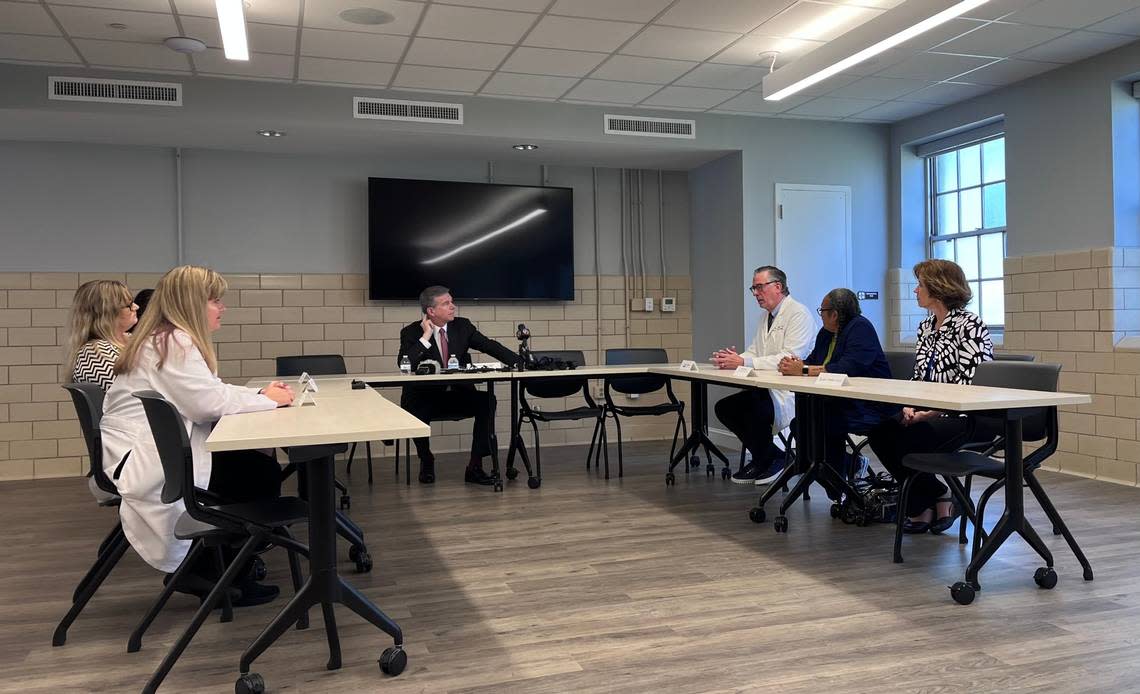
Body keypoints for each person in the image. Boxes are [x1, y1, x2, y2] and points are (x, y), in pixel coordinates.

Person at [100, 265, 295, 605]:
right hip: (152, 463)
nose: (223, 308)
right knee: (258, 473)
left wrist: (260, 396)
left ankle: (220, 564)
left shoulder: (163, 339)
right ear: (191, 304)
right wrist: (265, 399)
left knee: (253, 465)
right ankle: (213, 568)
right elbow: (206, 404)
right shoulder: (173, 342)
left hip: (148, 452)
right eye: (215, 300)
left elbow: (208, 392)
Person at [868, 259, 993, 534]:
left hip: (965, 416)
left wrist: (930, 412)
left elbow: (971, 385)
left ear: (938, 287)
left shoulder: (969, 325)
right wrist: (910, 406)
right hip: (932, 412)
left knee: (912, 438)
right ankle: (933, 495)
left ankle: (923, 504)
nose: (915, 290)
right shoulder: (926, 328)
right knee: (880, 432)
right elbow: (919, 378)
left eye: (920, 285)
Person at [777, 288, 898, 497]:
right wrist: (796, 364)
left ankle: (836, 482)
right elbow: (815, 360)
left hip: (868, 405)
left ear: (834, 314)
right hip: (837, 402)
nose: (820, 315)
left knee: (823, 423)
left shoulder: (860, 327)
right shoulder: (826, 334)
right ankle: (844, 470)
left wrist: (804, 370)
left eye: (822, 311)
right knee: (802, 424)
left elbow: (848, 367)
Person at [398, 285, 520, 486]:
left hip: (457, 394)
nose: (453, 307)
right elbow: (404, 364)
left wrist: (518, 362)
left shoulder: (463, 327)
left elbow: (490, 346)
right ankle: (426, 458)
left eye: (451, 302)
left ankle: (475, 465)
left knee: (487, 401)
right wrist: (426, 337)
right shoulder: (411, 332)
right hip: (425, 397)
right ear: (431, 311)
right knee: (415, 408)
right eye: (446, 303)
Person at [712, 266, 815, 484]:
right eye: (754, 288)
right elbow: (755, 351)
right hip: (768, 388)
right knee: (726, 408)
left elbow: (790, 358)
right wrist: (733, 360)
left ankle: (771, 459)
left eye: (759, 287)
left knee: (754, 409)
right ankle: (768, 458)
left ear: (778, 286)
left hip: (792, 392)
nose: (756, 293)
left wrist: (744, 361)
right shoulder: (765, 317)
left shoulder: (798, 314)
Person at [66, 280, 138, 391]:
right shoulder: (94, 354)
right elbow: (124, 396)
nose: (136, 307)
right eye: (129, 305)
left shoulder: (130, 339)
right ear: (107, 314)